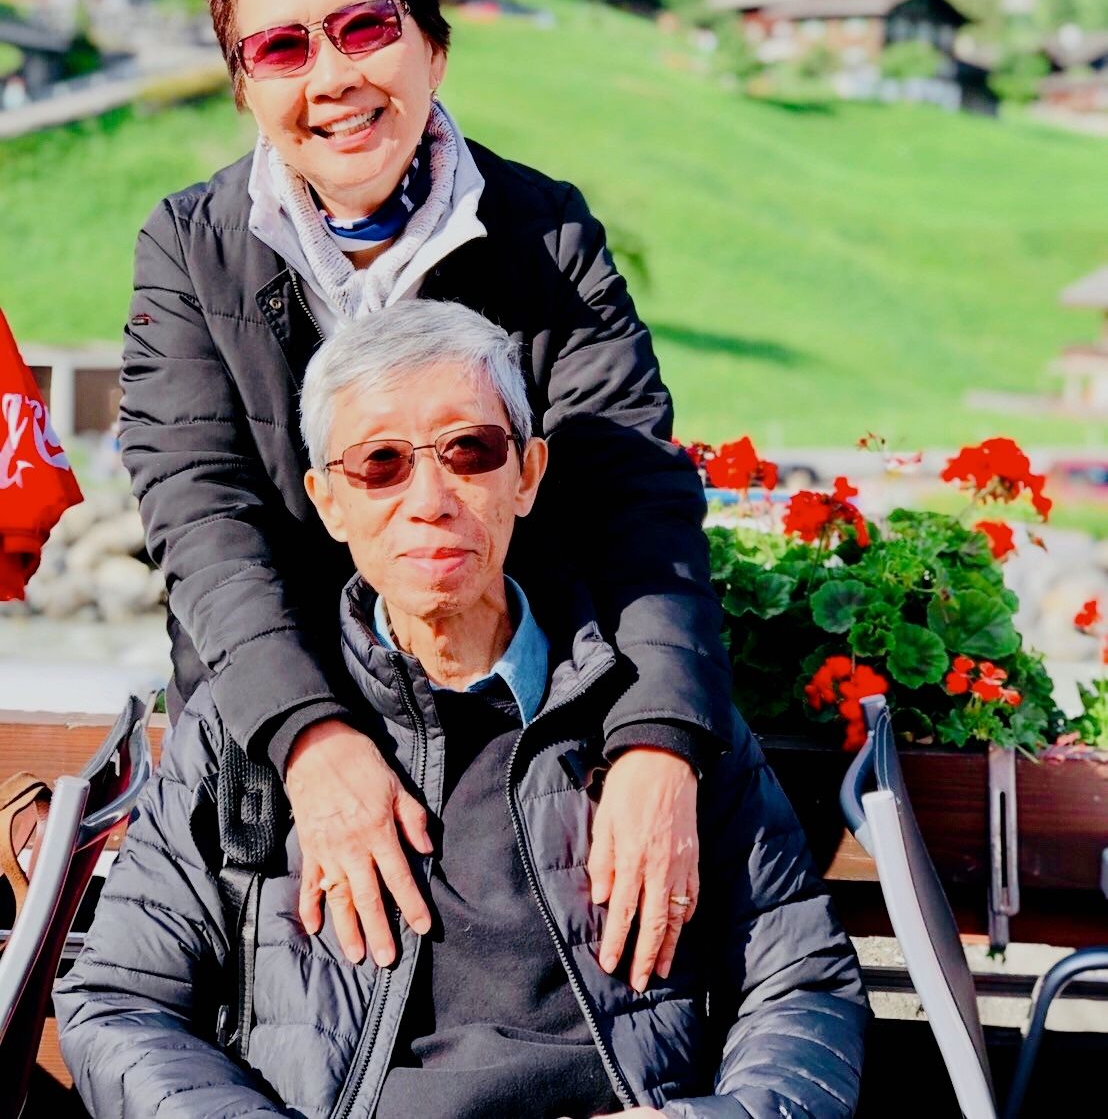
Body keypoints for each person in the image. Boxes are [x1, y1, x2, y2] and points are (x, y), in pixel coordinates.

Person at [119, 0, 733, 988]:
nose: (333, 77)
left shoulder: (548, 236)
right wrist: (310, 736)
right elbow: (201, 520)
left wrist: (657, 739)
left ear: (433, 44)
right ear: (243, 84)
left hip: (516, 753)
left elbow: (633, 497)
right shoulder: (189, 250)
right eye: (281, 47)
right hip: (278, 767)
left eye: (365, 26)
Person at [56, 302, 868, 1118]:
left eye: (469, 450)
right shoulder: (244, 732)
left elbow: (802, 985)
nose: (431, 499)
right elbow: (121, 1004)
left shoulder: (655, 723)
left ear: (527, 474)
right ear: (329, 501)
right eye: (380, 462)